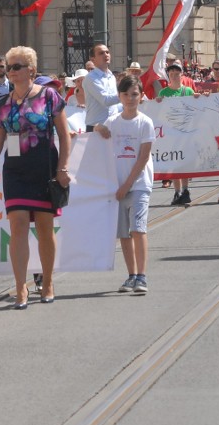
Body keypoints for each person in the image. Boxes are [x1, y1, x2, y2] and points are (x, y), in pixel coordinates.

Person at [0, 46, 71, 309]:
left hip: (44, 169)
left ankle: (48, 281)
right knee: (17, 226)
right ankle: (20, 287)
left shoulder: (49, 96)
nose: (11, 72)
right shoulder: (3, 104)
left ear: (31, 69)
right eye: (9, 67)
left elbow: (64, 135)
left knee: (44, 228)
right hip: (15, 171)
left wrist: (62, 168)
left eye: (16, 67)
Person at [94, 76, 155, 294]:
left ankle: (142, 276)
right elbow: (97, 141)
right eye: (126, 94)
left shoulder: (145, 123)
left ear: (141, 96)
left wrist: (127, 185)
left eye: (135, 94)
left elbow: (143, 157)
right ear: (119, 96)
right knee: (124, 234)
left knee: (138, 229)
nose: (130, 98)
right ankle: (131, 275)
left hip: (138, 185)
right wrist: (98, 129)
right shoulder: (112, 122)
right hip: (116, 187)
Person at [156, 60, 201, 205]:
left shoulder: (187, 91)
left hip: (185, 132)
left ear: (181, 75)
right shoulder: (164, 92)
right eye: (172, 73)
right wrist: (157, 102)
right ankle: (177, 191)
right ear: (168, 75)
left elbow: (196, 107)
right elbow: (159, 111)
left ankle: (186, 189)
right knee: (174, 161)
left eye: (177, 73)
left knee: (184, 161)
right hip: (170, 133)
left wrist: (198, 98)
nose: (174, 76)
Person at [83, 43, 120, 133]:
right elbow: (105, 100)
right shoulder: (90, 78)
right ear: (93, 59)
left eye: (107, 52)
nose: (106, 55)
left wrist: (135, 100)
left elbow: (115, 104)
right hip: (95, 128)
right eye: (101, 53)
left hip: (113, 126)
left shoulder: (112, 76)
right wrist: (126, 95)